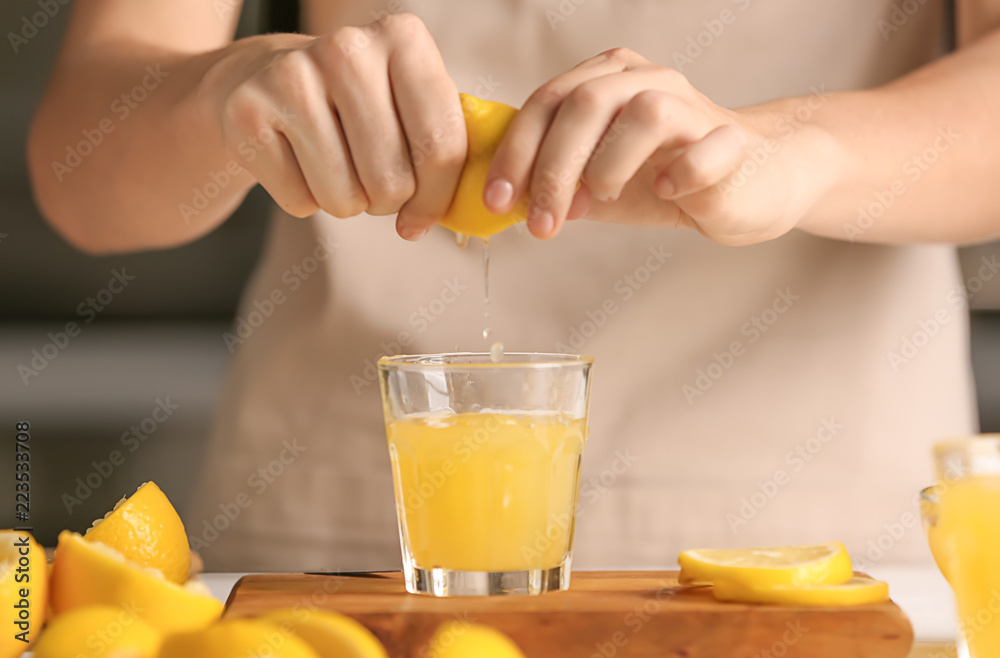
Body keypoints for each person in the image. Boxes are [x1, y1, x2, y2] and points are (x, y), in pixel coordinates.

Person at [27, 0, 995, 572]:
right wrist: (217, 97)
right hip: (340, 539)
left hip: (817, 544)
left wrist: (800, 150)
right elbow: (83, 176)